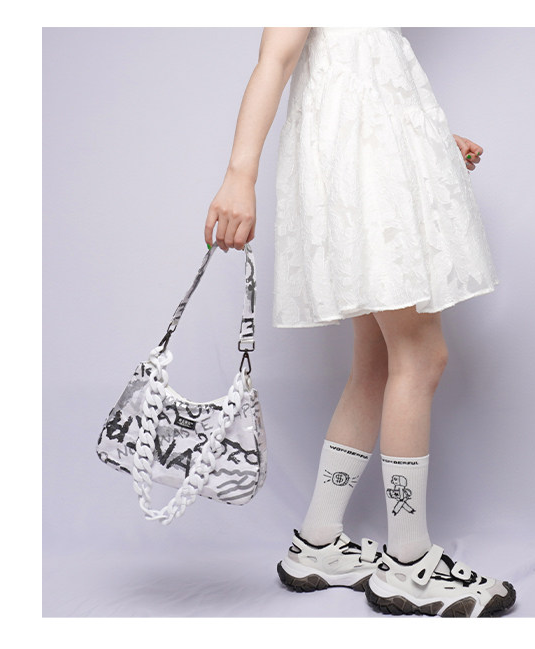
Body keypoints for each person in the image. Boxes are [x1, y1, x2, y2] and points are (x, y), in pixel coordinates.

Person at [204, 27, 515, 618]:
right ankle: (410, 565)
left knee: (375, 366)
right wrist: (239, 176)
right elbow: (276, 58)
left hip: (372, 168)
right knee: (420, 359)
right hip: (364, 179)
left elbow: (357, 74)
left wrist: (427, 144)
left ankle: (318, 543)